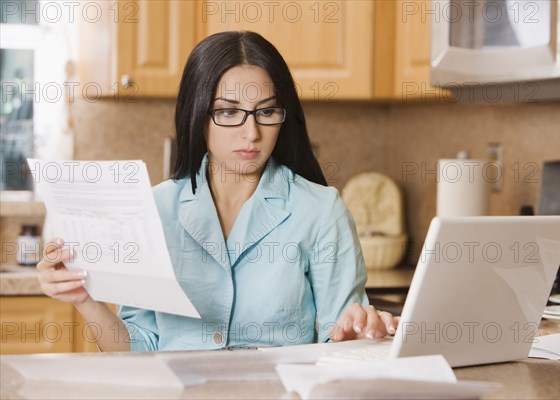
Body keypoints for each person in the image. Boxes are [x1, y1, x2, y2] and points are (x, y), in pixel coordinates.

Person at [36, 31, 399, 351]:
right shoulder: (157, 210)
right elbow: (140, 348)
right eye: (228, 113)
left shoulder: (320, 211)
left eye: (267, 111)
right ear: (197, 114)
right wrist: (86, 300)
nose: (252, 132)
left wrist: (358, 333)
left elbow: (340, 340)